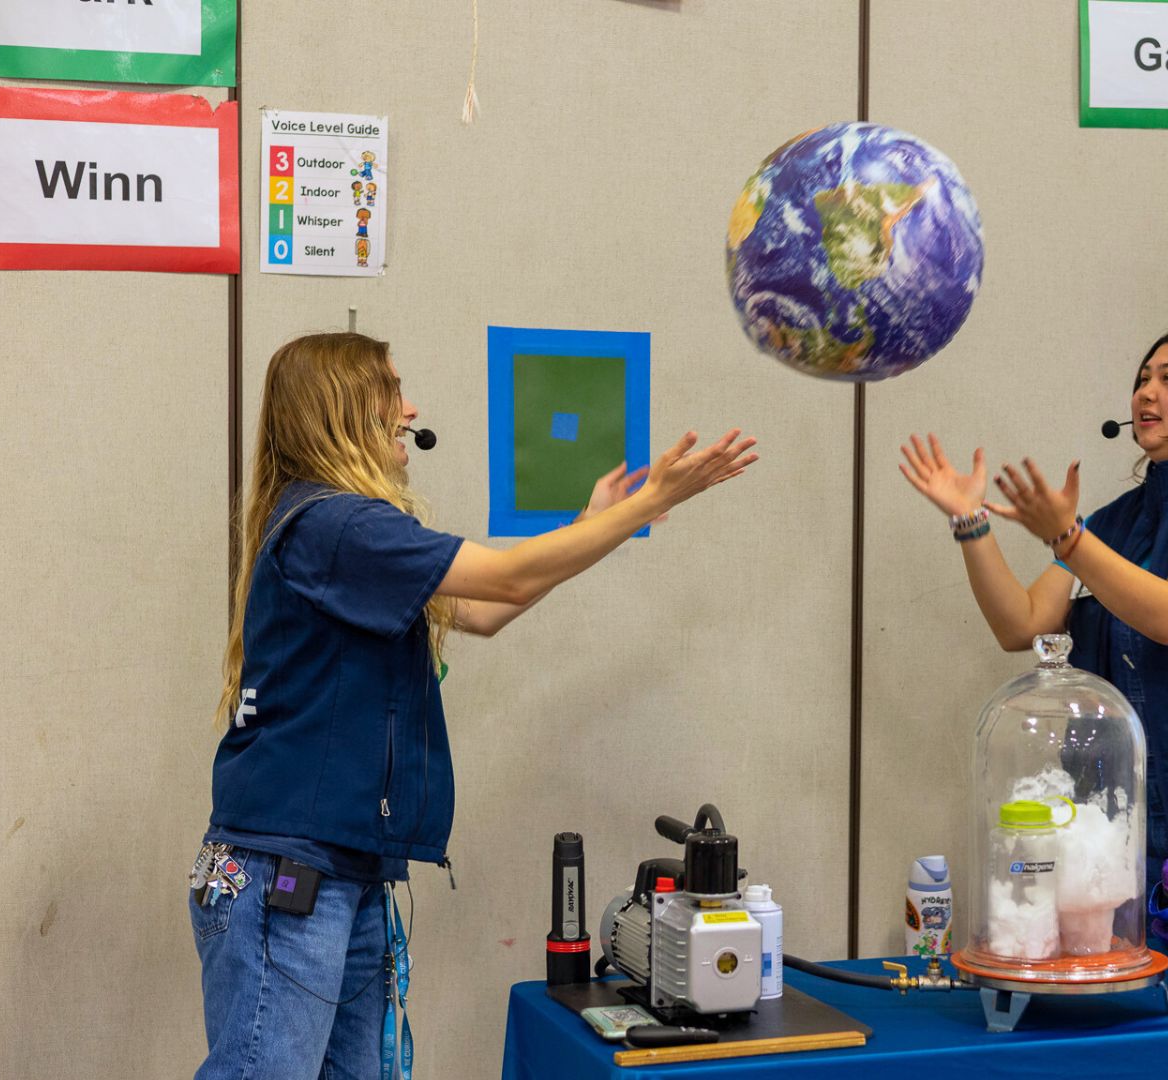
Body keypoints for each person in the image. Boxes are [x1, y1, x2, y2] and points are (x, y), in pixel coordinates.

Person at [189, 331, 757, 1079]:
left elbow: (482, 609)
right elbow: (508, 581)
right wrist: (651, 502)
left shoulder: (344, 530)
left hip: (342, 872)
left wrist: (593, 525)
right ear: (346, 408)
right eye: (394, 390)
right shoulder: (338, 527)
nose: (411, 407)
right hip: (288, 876)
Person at [900, 322, 1168, 882]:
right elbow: (1024, 626)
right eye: (1143, 379)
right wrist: (971, 521)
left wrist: (1068, 540)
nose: (1146, 393)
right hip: (1131, 836)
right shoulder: (1117, 521)